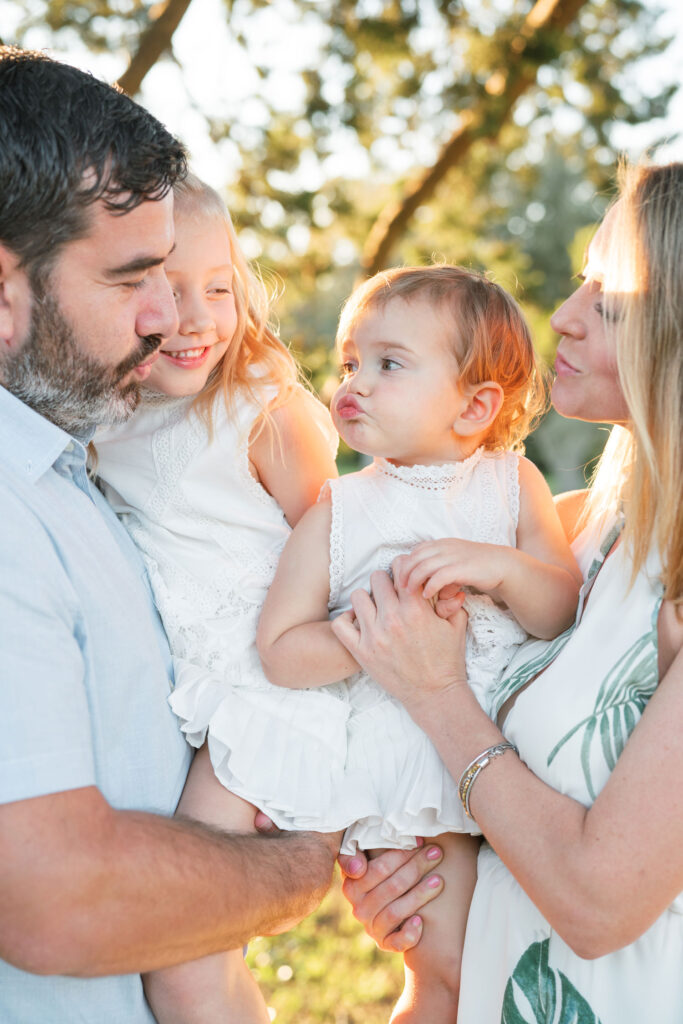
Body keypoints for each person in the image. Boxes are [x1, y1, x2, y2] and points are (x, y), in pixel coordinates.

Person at [0, 47, 337, 1024]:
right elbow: (56, 896)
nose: (168, 319)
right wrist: (305, 861)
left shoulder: (73, 458)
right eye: (134, 278)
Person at [334, 162, 683, 1024]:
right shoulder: (573, 538)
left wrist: (436, 697)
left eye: (607, 305)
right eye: (580, 283)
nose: (561, 317)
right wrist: (422, 889)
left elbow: (600, 905)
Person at [254, 265, 580, 1023]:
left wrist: (497, 565)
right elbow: (280, 648)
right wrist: (370, 635)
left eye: (388, 364)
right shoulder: (339, 509)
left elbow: (557, 607)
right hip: (409, 771)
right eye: (348, 363)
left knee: (498, 967)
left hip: (516, 760)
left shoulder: (509, 485)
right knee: (447, 976)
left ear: (474, 406)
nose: (354, 383)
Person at [94, 170, 340, 1023]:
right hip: (202, 702)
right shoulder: (109, 417)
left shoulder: (260, 409)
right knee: (203, 961)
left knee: (185, 957)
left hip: (266, 694)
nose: (195, 317)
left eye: (219, 288)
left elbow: (339, 548)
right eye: (166, 287)